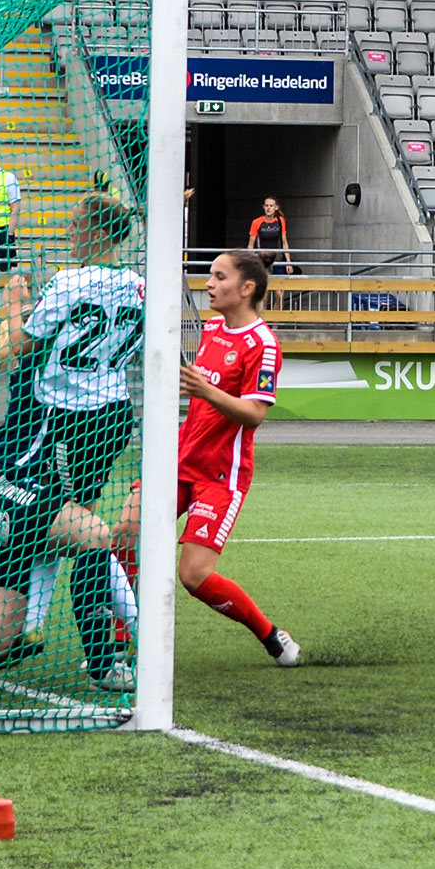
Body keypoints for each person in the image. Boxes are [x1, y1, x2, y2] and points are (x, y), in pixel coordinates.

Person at [0, 192, 146, 692]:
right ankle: (107, 663)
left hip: (14, 484)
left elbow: (17, 344)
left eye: (75, 224)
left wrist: (14, 302)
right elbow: (23, 346)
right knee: (95, 534)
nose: (67, 233)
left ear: (97, 230)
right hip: (13, 483)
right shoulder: (141, 290)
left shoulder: (64, 300)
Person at [176, 250, 301, 667]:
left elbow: (255, 414)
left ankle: (270, 635)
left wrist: (205, 390)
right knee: (123, 535)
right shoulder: (211, 328)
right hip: (178, 460)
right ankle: (117, 649)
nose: (209, 284)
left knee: (193, 576)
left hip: (220, 474)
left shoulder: (262, 344)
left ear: (247, 288)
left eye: (219, 276)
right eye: (209, 276)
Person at [246, 196, 295, 310]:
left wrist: (288, 262)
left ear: (276, 208)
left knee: (280, 294)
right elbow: (250, 245)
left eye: (271, 206)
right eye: (266, 206)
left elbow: (284, 242)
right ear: (263, 207)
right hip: (263, 260)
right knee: (264, 294)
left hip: (277, 259)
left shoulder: (280, 221)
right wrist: (250, 261)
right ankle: (264, 322)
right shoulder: (257, 222)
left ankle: (276, 326)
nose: (269, 208)